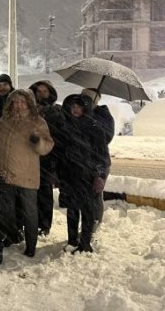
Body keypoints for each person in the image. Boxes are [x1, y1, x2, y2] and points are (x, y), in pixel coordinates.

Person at [0, 90, 54, 257]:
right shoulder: (5, 119)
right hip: (4, 172)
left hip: (26, 173)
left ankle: (31, 246)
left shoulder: (37, 122)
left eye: (22, 101)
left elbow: (47, 146)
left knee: (30, 212)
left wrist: (38, 141)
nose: (18, 105)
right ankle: (11, 237)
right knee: (7, 210)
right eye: (15, 101)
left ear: (29, 103)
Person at [59, 94, 106, 253]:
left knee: (88, 211)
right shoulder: (65, 127)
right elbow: (60, 151)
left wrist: (100, 175)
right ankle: (72, 240)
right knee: (72, 210)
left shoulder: (94, 128)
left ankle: (85, 242)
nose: (75, 110)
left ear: (85, 108)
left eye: (78, 106)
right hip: (70, 175)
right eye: (72, 106)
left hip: (88, 175)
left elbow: (102, 154)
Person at [28, 80, 66, 236]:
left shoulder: (56, 111)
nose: (42, 94)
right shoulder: (29, 110)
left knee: (45, 192)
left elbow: (60, 136)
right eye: (39, 91)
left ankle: (44, 224)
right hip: (29, 156)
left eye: (45, 91)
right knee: (30, 192)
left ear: (50, 93)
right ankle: (31, 222)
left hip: (48, 157)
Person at [81, 88, 114, 231]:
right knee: (85, 197)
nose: (84, 100)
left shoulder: (103, 115)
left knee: (95, 195)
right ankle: (86, 227)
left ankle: (94, 227)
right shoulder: (81, 113)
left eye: (88, 98)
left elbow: (106, 137)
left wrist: (91, 119)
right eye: (83, 96)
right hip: (82, 161)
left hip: (99, 162)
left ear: (96, 100)